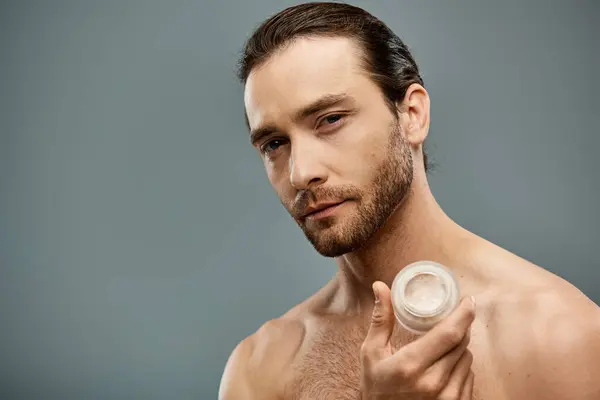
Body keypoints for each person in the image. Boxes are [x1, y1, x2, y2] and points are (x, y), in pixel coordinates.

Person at [219, 3, 600, 399]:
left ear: (412, 115)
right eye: (274, 144)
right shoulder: (259, 368)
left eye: (330, 119)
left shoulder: (560, 335)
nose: (300, 173)